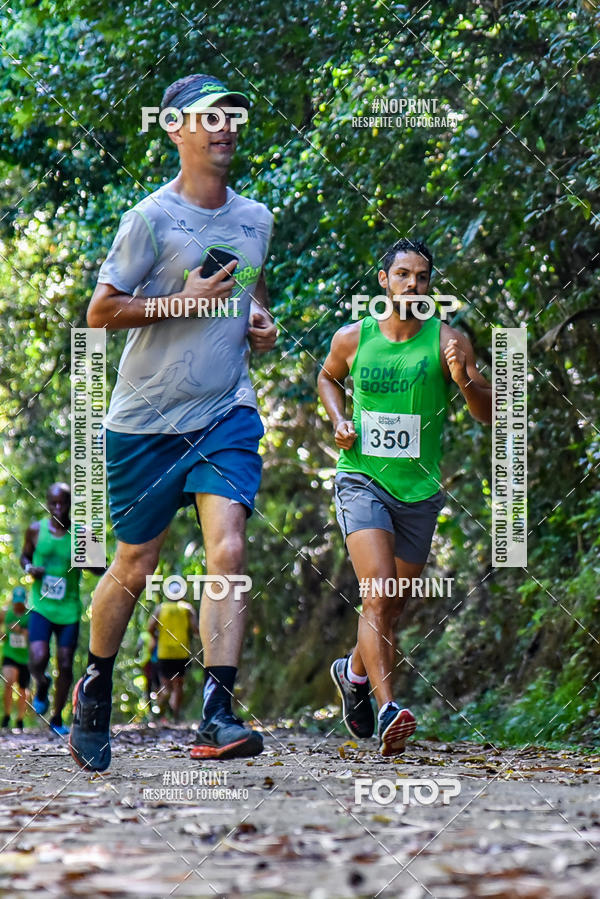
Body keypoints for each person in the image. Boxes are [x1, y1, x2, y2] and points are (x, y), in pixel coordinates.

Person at [69, 73, 277, 772]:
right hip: (146, 420)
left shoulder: (257, 218)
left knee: (228, 550)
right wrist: (179, 303)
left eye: (231, 115)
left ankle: (218, 710)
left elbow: (253, 290)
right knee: (135, 563)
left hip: (226, 411)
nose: (225, 126)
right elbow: (101, 312)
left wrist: (259, 320)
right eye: (208, 117)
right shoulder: (149, 219)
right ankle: (95, 684)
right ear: (176, 130)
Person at [318, 238, 492, 756]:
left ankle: (352, 671)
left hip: (419, 492)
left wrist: (463, 379)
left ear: (429, 285)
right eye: (402, 275)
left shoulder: (448, 340)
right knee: (377, 592)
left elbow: (488, 412)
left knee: (391, 605)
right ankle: (389, 707)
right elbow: (327, 378)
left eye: (421, 277)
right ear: (384, 281)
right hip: (361, 479)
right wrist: (339, 419)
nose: (412, 284)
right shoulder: (354, 338)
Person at [21, 483, 102, 736]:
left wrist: (88, 561)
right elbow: (24, 556)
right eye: (53, 503)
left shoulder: (82, 534)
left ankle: (56, 717)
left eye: (63, 503)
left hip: (69, 610)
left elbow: (101, 567)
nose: (58, 508)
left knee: (66, 664)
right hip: (41, 606)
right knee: (38, 657)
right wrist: (29, 568)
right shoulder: (36, 530)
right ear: (47, 503)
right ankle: (42, 683)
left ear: (70, 504)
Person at [148, 582, 197, 721]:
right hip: (181, 652)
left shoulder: (160, 609)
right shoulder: (187, 608)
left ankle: (159, 713)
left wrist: (156, 637)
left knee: (166, 686)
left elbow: (150, 627)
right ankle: (175, 715)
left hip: (164, 653)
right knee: (178, 685)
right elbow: (196, 629)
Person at [1, 586, 30, 731]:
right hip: (10, 654)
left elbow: (36, 636)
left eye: (20, 602)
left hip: (26, 658)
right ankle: (6, 715)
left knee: (23, 689)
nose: (18, 605)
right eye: (16, 602)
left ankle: (20, 719)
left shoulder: (30, 615)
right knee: (9, 680)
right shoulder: (6, 613)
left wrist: (21, 631)